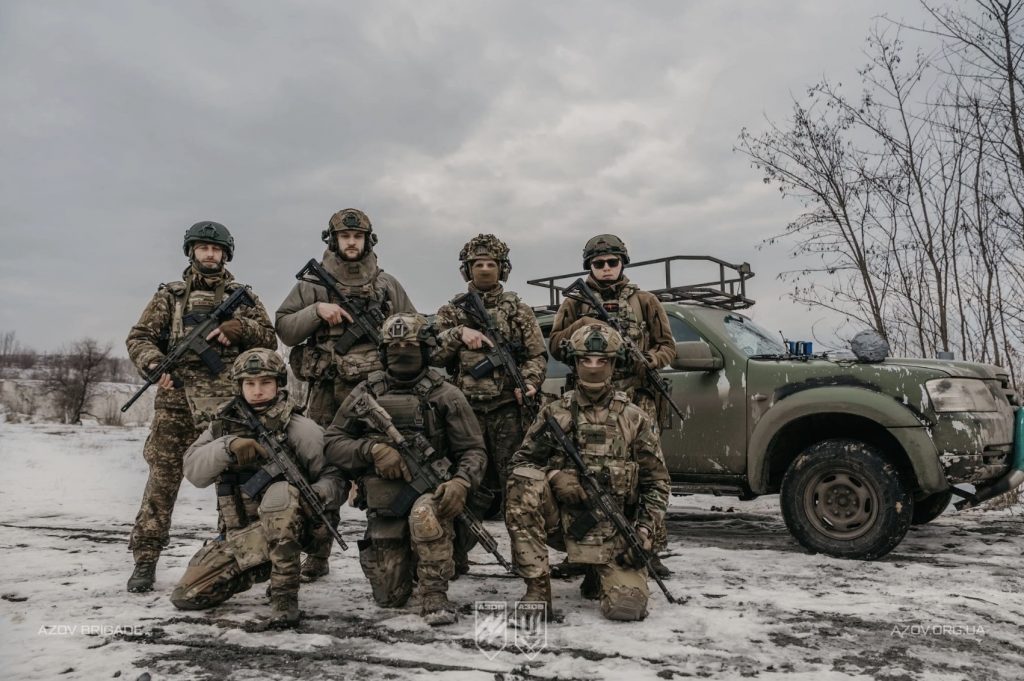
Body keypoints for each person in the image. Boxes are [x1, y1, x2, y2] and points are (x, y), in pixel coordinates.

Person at [125, 221, 276, 592]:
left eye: (215, 249)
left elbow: (269, 339)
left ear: (225, 254)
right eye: (202, 248)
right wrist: (152, 364)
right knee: (162, 482)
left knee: (233, 486)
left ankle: (239, 556)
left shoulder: (243, 296)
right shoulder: (171, 297)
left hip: (227, 408)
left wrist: (240, 328)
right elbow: (140, 337)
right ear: (191, 251)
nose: (209, 254)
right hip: (176, 404)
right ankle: (146, 558)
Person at [275, 208, 415, 582]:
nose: (351, 243)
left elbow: (414, 330)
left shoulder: (386, 285)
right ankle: (317, 556)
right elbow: (285, 328)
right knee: (323, 472)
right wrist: (318, 311)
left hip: (376, 396)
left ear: (367, 240)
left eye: (357, 237)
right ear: (333, 240)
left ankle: (390, 560)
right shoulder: (313, 285)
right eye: (344, 237)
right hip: (326, 395)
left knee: (383, 470)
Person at [325, 313, 487, 625]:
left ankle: (434, 593)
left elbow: (473, 450)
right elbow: (333, 441)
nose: (402, 350)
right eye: (394, 345)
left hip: (432, 496)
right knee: (389, 597)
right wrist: (371, 450)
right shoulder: (365, 393)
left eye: (410, 344)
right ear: (383, 351)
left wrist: (461, 483)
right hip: (385, 501)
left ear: (426, 350)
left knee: (425, 514)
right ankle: (411, 563)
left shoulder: (446, 394)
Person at [505, 322, 670, 621]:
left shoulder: (635, 418)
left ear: (614, 363)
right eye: (585, 360)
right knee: (523, 483)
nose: (593, 367)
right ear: (575, 362)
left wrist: (644, 531)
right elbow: (520, 463)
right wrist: (554, 476)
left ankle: (599, 573)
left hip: (616, 533)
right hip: (564, 524)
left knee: (626, 609)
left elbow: (657, 482)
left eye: (602, 360)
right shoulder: (555, 413)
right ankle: (537, 589)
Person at [169, 349, 346, 627]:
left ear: (278, 384)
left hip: (297, 529)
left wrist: (318, 495)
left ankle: (284, 596)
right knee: (187, 595)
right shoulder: (223, 426)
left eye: (265, 382)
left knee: (281, 497)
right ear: (239, 386)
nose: (258, 391)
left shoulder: (301, 429)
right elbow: (193, 472)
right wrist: (228, 446)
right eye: (249, 384)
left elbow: (335, 478)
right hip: (243, 534)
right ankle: (261, 566)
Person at [547, 233, 676, 576]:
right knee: (584, 471)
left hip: (634, 397)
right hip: (588, 399)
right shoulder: (575, 302)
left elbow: (668, 346)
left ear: (622, 264)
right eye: (598, 263)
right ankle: (580, 550)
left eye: (612, 262)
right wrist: (583, 324)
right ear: (589, 266)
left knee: (643, 472)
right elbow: (556, 346)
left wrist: (649, 359)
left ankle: (649, 546)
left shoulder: (645, 301)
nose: (605, 269)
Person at [432, 234, 546, 507]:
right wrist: (459, 334)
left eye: (491, 264)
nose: (484, 269)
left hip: (507, 408)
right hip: (465, 410)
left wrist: (529, 382)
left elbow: (536, 354)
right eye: (478, 264)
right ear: (467, 270)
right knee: (466, 478)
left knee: (514, 482)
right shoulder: (451, 312)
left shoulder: (518, 310)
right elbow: (433, 354)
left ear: (502, 268)